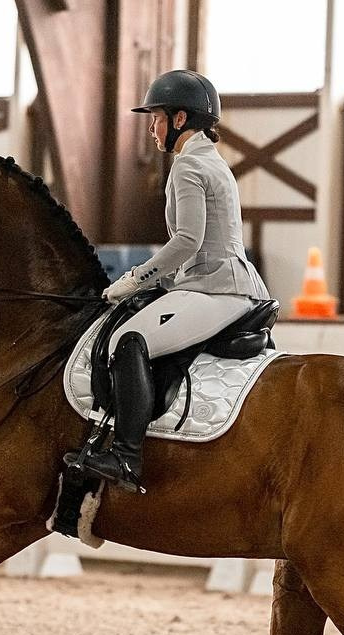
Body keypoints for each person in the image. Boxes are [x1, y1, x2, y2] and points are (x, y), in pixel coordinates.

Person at [79, 69, 271, 492]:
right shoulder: (209, 161)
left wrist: (134, 279)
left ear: (180, 120)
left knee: (127, 340)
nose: (151, 126)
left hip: (215, 287)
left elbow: (187, 241)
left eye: (157, 117)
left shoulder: (187, 167)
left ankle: (126, 457)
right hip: (223, 284)